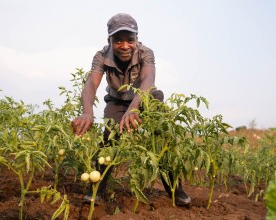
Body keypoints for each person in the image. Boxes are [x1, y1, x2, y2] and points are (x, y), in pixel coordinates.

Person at [71, 13, 191, 207]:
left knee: (161, 142)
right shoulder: (101, 56)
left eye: (130, 40)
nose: (125, 45)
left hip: (146, 99)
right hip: (117, 101)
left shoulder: (146, 52)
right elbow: (91, 84)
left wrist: (134, 108)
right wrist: (87, 112)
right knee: (108, 141)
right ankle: (96, 189)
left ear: (136, 38)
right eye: (118, 40)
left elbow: (148, 80)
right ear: (109, 40)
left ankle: (176, 190)